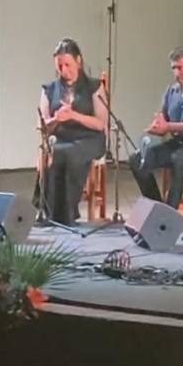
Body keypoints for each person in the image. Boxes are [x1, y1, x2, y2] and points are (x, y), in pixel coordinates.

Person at [129, 47, 183, 210]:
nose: (176, 73)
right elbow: (164, 118)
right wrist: (157, 127)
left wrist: (168, 126)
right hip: (178, 144)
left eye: (180, 68)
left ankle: (170, 211)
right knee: (137, 159)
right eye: (173, 68)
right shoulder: (172, 90)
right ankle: (157, 207)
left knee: (179, 158)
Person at [38, 38, 107, 226]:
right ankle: (50, 214)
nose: (64, 70)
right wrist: (55, 120)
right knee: (55, 153)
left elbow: (101, 124)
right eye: (59, 66)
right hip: (62, 138)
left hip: (89, 138)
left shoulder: (94, 86)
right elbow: (43, 125)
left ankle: (67, 215)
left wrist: (73, 116)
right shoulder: (49, 90)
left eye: (68, 64)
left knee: (69, 154)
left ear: (79, 61)